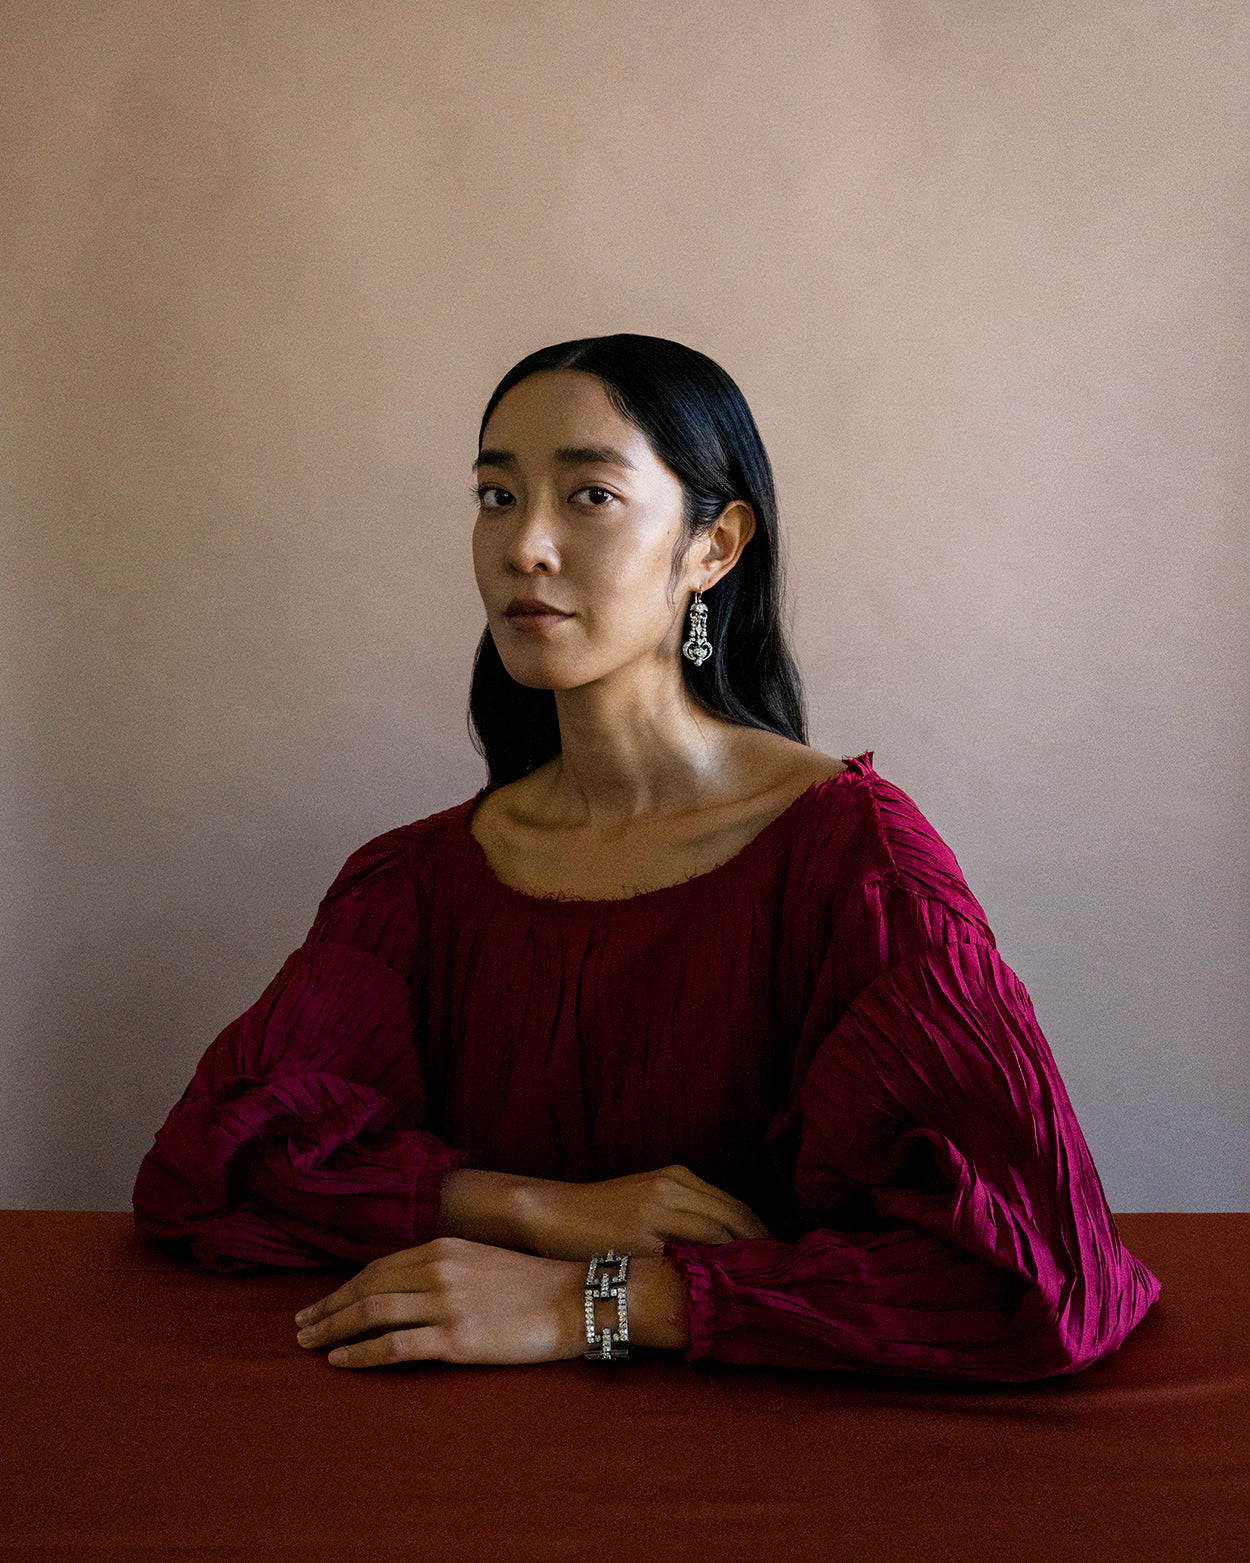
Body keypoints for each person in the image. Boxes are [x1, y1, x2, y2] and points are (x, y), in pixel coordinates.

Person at [132, 333, 1161, 1378]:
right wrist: (540, 1210)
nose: (524, 546)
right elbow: (206, 1166)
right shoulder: (412, 887)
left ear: (713, 546)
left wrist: (594, 1303)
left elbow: (1043, 1275)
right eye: (496, 496)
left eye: (587, 497)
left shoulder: (857, 865)